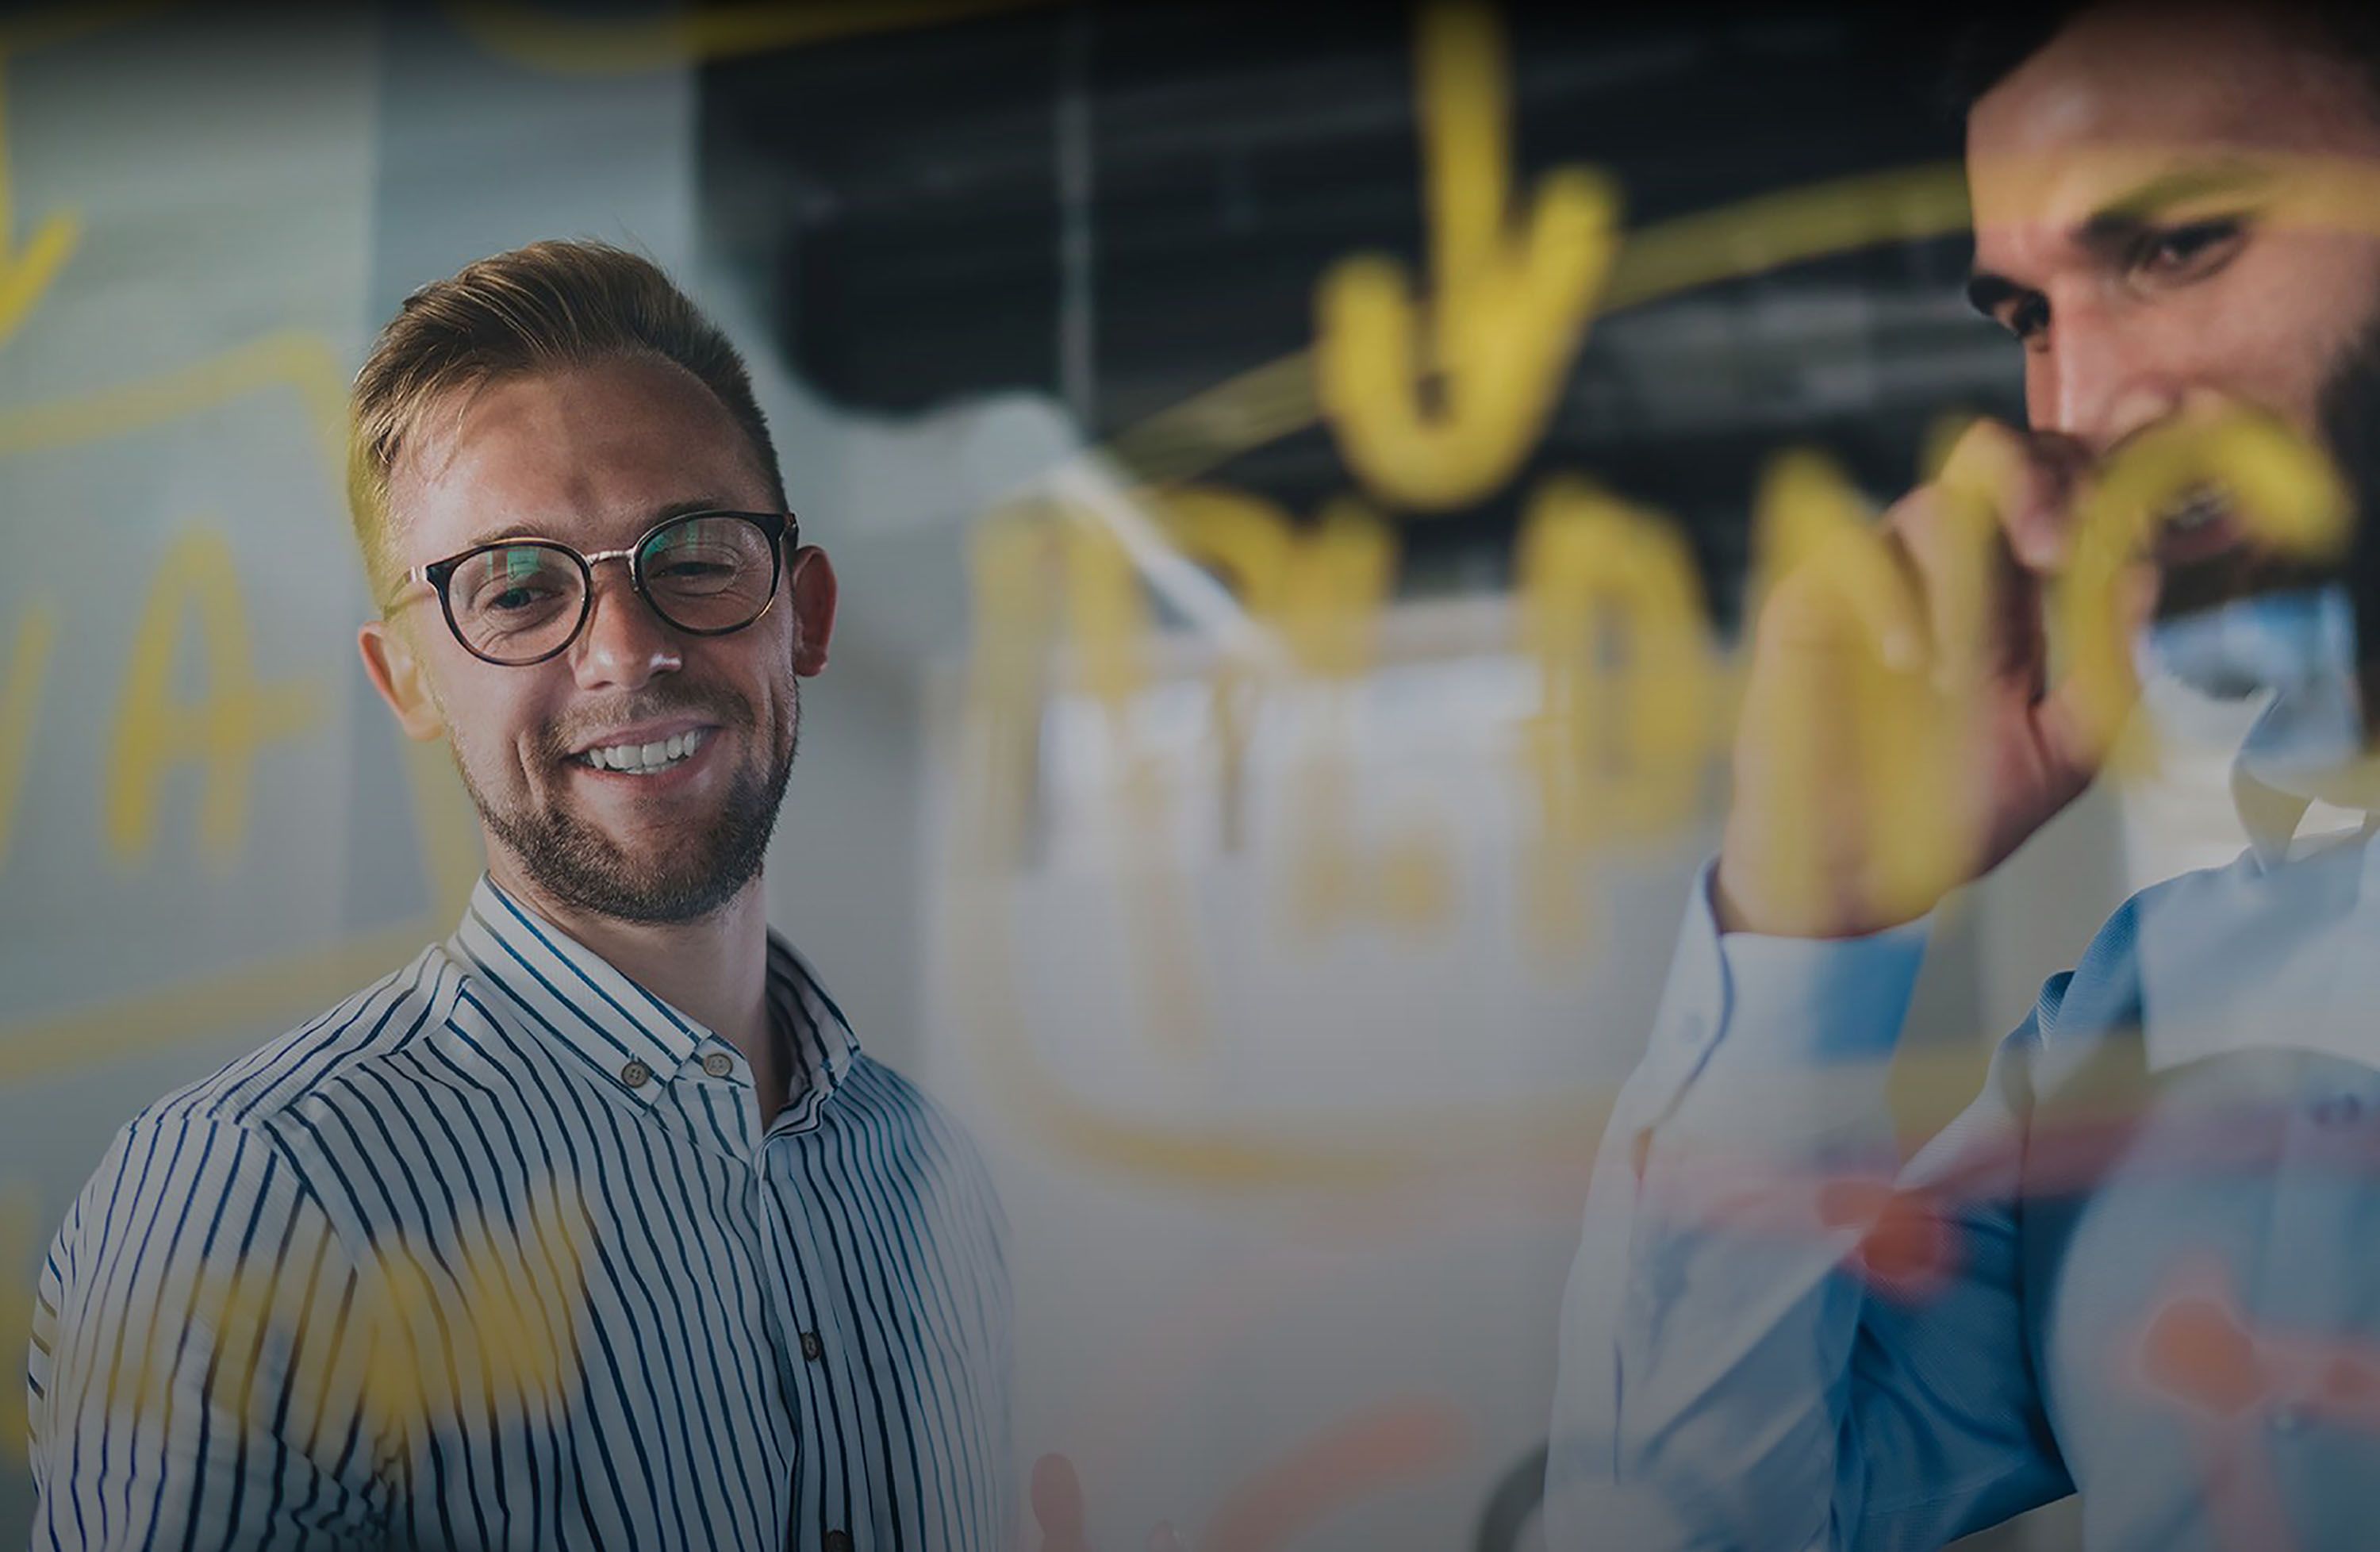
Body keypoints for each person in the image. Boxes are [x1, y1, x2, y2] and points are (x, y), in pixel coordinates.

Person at [25, 241, 1012, 1549]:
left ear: (803, 612)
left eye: (699, 555)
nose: (629, 649)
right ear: (411, 685)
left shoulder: (938, 1177)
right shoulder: (254, 1196)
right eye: (519, 589)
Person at [1548, 1, 2380, 1547]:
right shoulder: (2149, 1016)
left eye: (2180, 245)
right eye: (2033, 322)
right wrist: (1808, 921)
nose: (2084, 412)